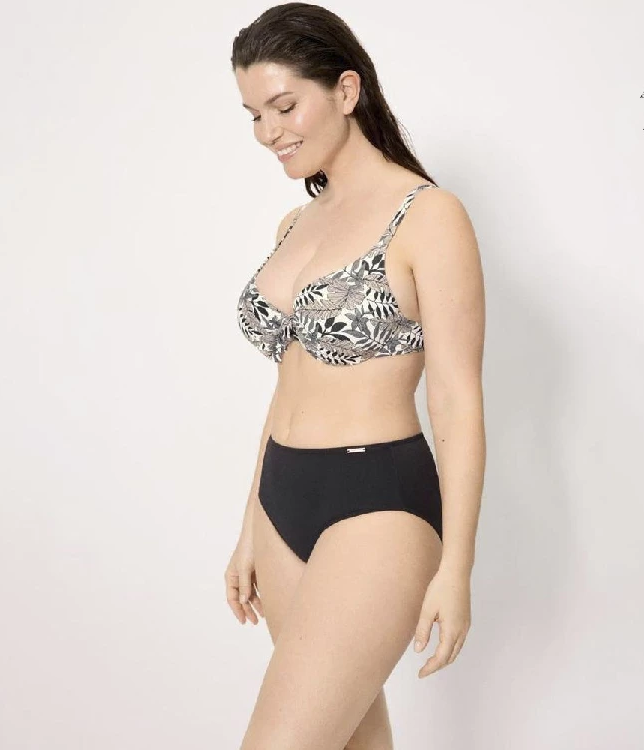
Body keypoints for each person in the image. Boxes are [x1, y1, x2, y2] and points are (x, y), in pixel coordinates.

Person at [225, 4, 486, 748]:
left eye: (284, 107)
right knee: (350, 741)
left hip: (378, 502)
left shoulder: (428, 216)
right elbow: (288, 385)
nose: (269, 132)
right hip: (282, 498)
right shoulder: (294, 225)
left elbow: (457, 401)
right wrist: (249, 525)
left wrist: (457, 568)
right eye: (254, 115)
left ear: (346, 90)